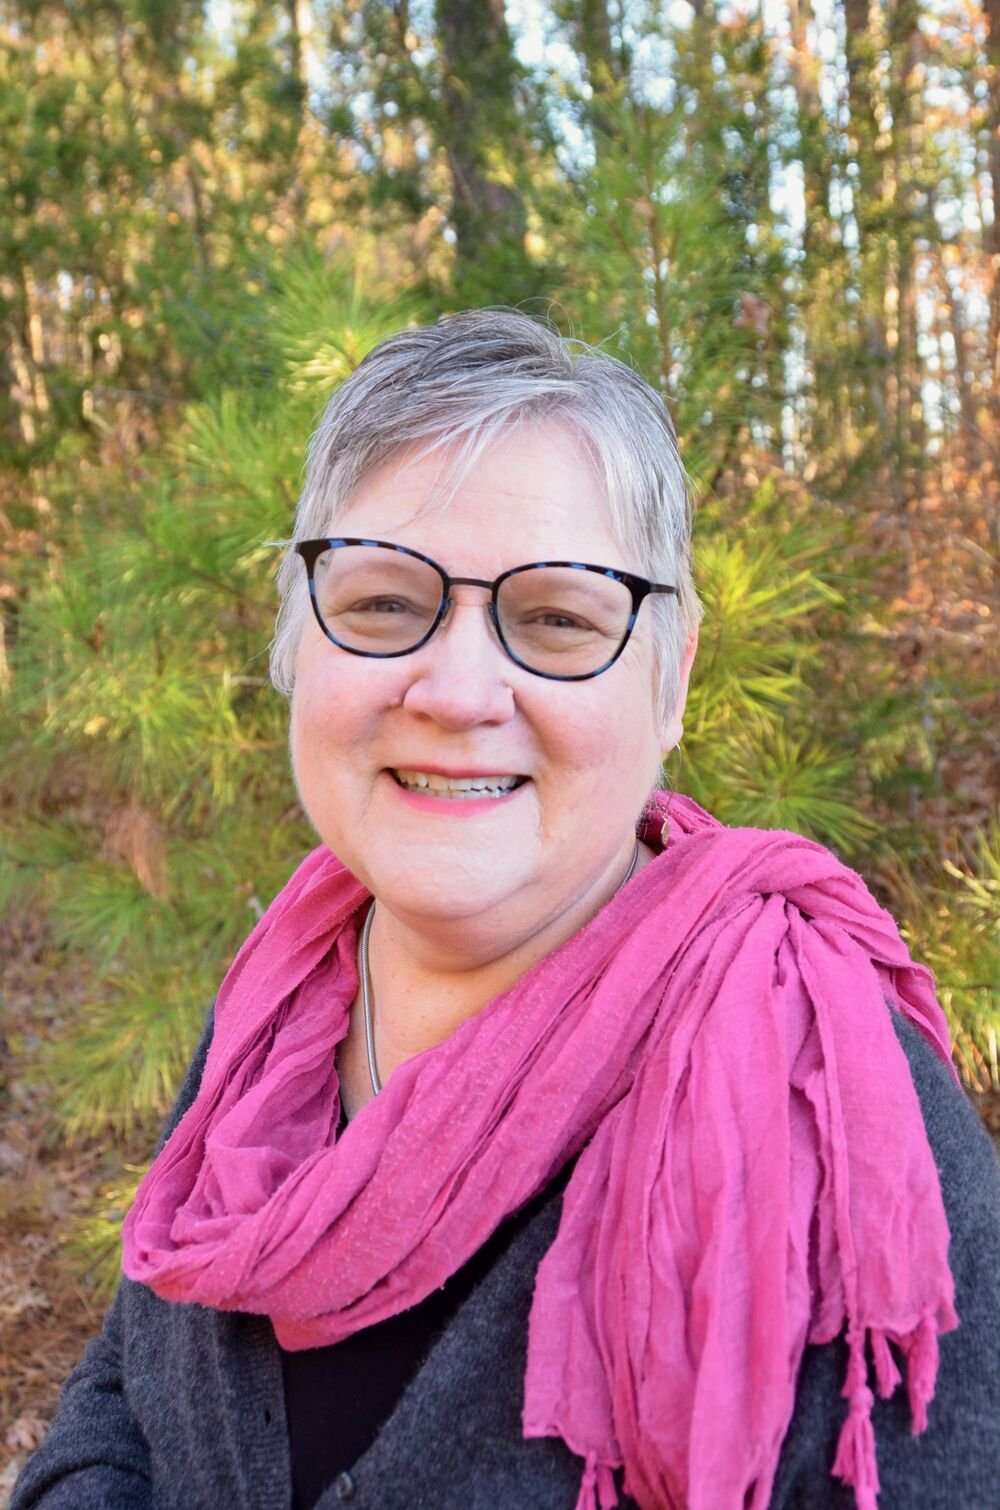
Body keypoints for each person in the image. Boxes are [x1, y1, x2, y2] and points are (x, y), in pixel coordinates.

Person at [12, 310, 1000, 1510]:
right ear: (296, 637)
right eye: (381, 602)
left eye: (558, 617)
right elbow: (129, 1384)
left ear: (671, 676)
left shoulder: (828, 1101)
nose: (460, 690)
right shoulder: (281, 998)